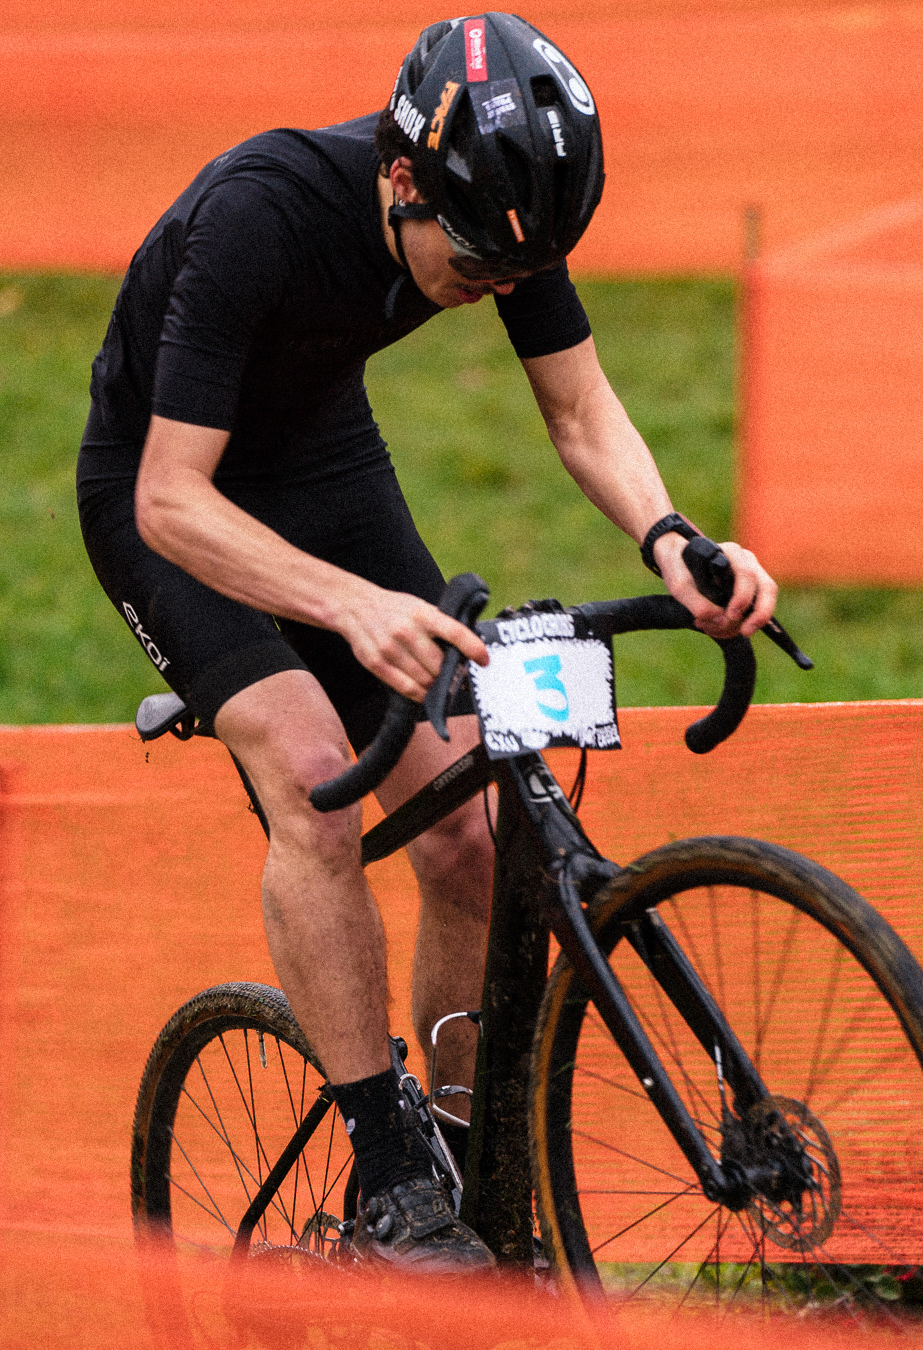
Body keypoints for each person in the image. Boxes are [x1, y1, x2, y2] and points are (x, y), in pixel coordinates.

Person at [77, 12, 778, 1272]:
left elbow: (580, 406)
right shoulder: (260, 214)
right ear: (401, 178)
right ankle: (390, 1170)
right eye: (479, 262)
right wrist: (349, 607)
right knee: (314, 781)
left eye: (524, 269)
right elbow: (169, 500)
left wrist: (672, 538)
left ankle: (462, 1171)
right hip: (168, 491)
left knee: (472, 835)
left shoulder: (501, 212)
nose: (499, 285)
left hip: (320, 465)